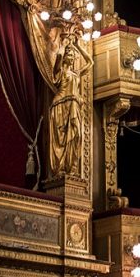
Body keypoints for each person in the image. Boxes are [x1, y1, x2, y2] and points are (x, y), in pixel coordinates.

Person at [48, 37, 92, 177]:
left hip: (74, 105)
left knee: (75, 134)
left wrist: (78, 46)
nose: (72, 57)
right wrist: (65, 43)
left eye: (73, 55)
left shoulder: (77, 73)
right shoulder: (60, 71)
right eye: (70, 54)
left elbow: (90, 62)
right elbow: (59, 56)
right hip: (60, 104)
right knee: (60, 137)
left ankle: (70, 167)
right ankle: (59, 168)